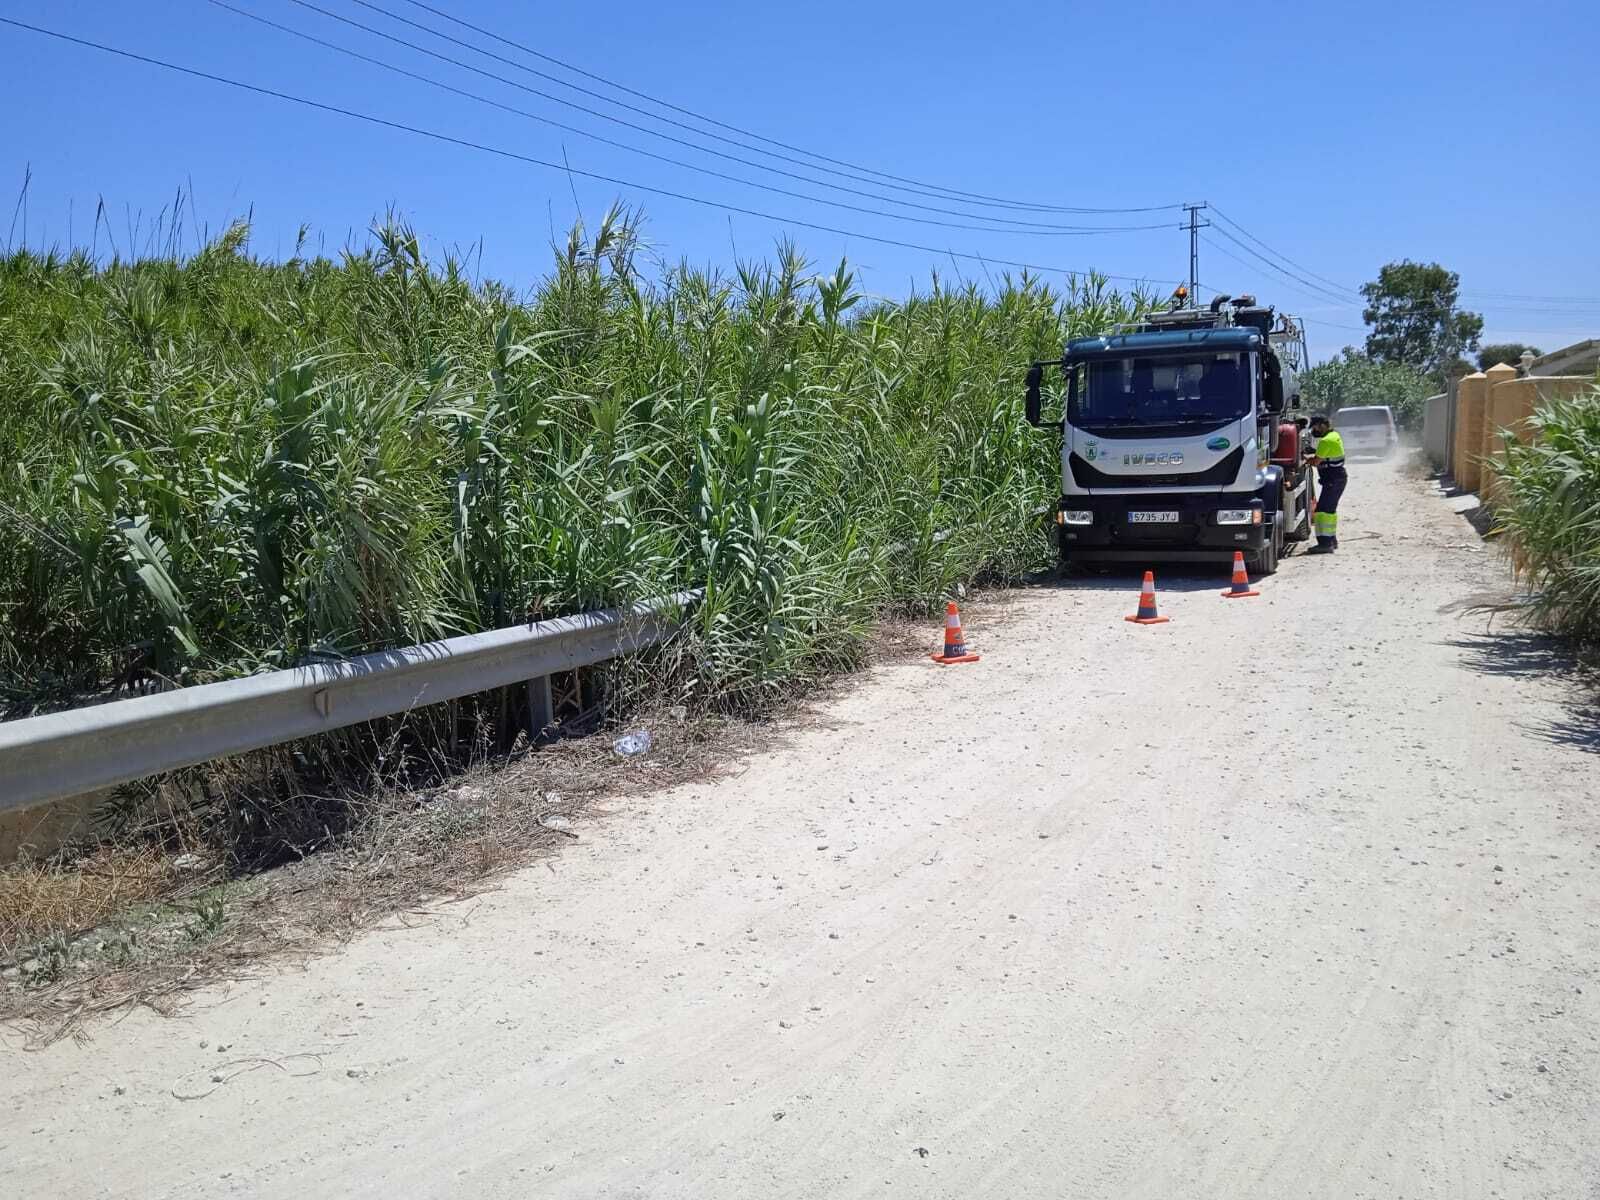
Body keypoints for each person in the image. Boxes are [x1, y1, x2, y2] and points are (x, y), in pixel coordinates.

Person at [1302, 413, 1347, 553]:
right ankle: (1332, 540)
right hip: (1338, 478)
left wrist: (1305, 459)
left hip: (1333, 480)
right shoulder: (1334, 436)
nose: (1314, 431)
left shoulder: (1325, 441)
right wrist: (1314, 452)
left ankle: (1325, 544)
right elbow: (1326, 455)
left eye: (1315, 427)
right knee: (1329, 510)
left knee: (1322, 511)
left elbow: (1316, 462)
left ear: (1322, 425)